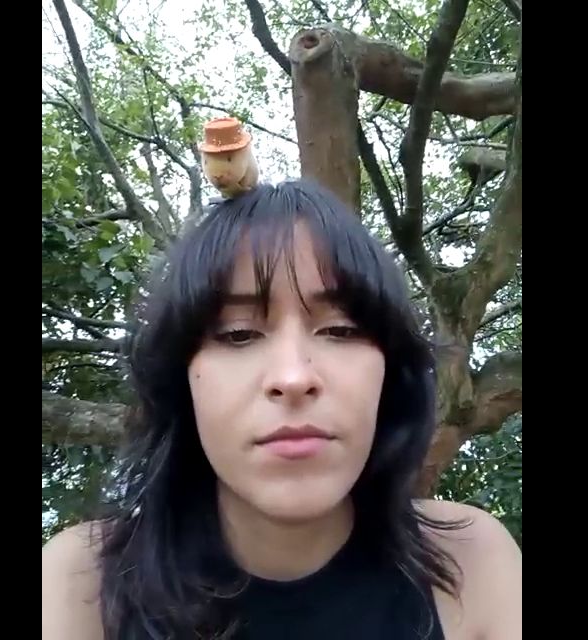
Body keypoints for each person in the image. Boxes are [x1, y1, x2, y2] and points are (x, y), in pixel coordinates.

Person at [42, 180, 522, 640]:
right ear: (181, 379)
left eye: (340, 330)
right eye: (238, 334)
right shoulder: (82, 586)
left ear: (389, 374)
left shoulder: (470, 565)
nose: (293, 377)